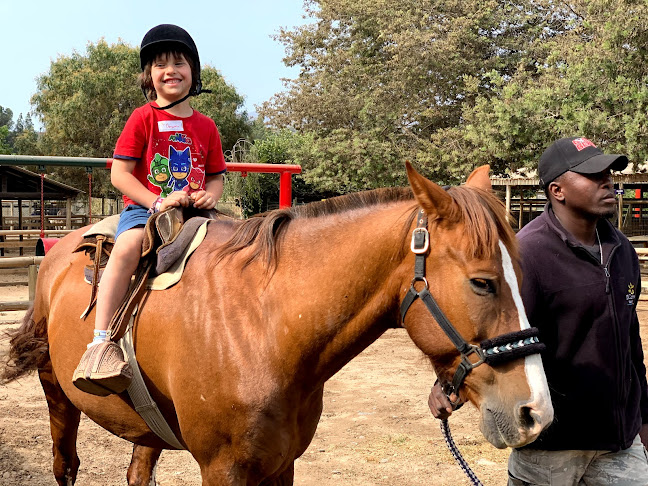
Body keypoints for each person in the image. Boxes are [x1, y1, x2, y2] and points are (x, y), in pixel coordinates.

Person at [428, 137, 648, 485]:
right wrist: (448, 383)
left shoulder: (622, 250)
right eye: (592, 174)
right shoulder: (525, 256)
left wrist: (642, 421)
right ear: (558, 190)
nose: (607, 180)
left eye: (608, 171)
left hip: (620, 445)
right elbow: (491, 328)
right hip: (550, 449)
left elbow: (630, 343)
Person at [72, 24, 226, 396]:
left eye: (180, 62)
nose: (171, 69)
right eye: (160, 65)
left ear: (194, 73)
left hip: (195, 213)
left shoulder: (207, 127)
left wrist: (210, 196)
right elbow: (120, 175)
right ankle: (100, 342)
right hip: (147, 209)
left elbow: (217, 176)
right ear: (149, 77)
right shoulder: (143, 118)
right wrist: (157, 201)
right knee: (127, 248)